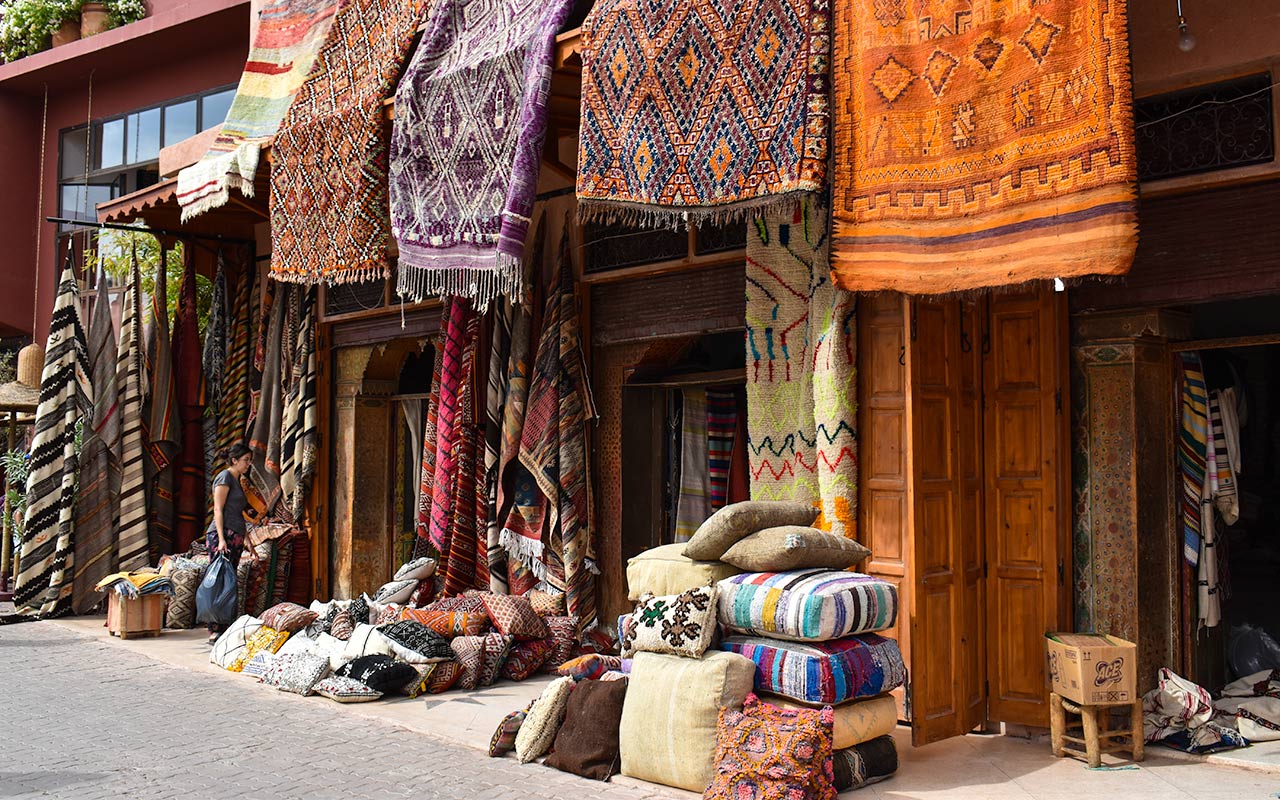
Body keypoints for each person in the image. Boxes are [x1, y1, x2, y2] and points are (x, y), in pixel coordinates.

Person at [207, 443, 253, 643]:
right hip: (221, 536)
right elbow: (218, 509)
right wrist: (222, 539)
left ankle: (225, 625)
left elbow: (238, 514)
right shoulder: (224, 477)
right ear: (234, 460)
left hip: (235, 535)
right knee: (219, 581)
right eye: (246, 460)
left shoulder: (237, 479)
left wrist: (247, 540)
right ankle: (214, 628)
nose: (249, 464)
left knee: (229, 581)